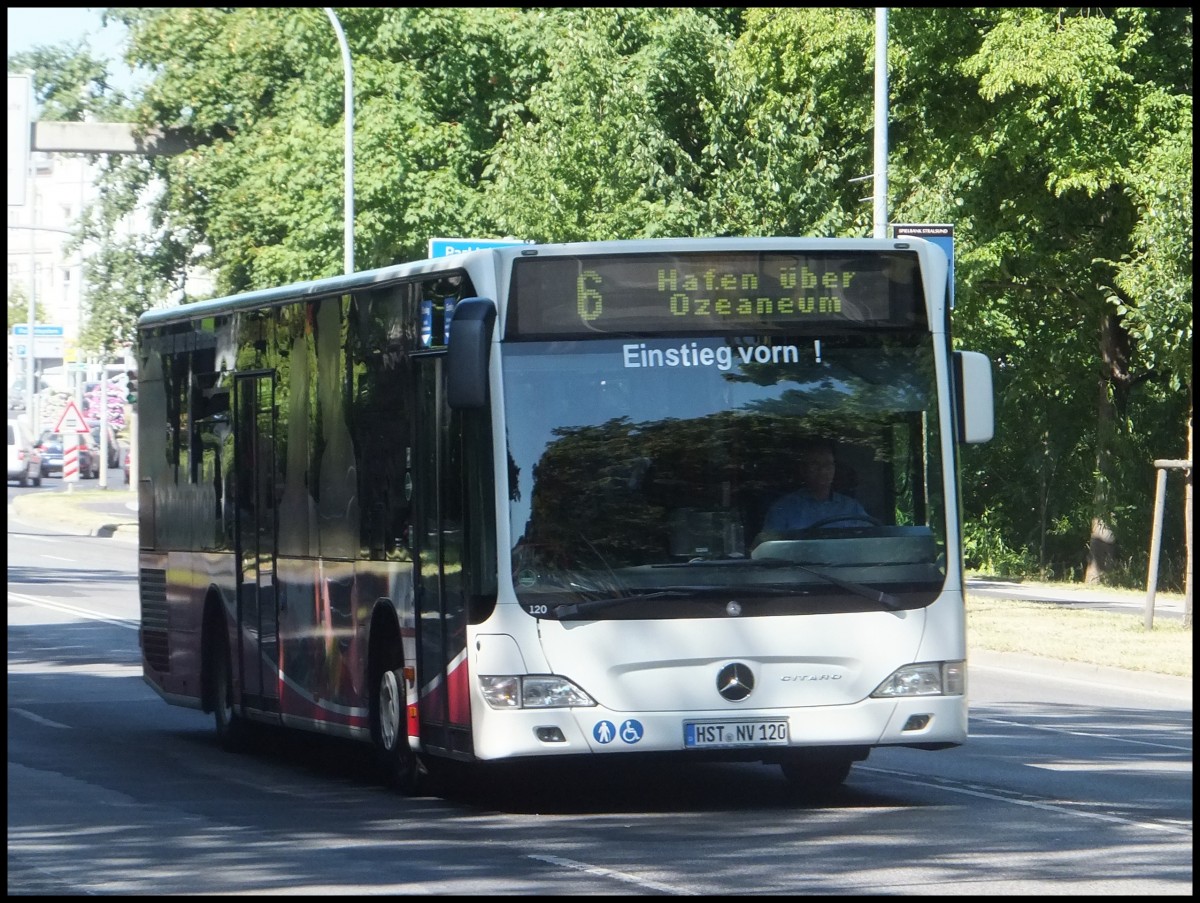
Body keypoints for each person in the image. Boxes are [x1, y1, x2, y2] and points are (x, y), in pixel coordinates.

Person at [760, 438, 871, 532]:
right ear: (803, 469)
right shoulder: (783, 509)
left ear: (834, 469)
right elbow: (770, 552)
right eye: (815, 464)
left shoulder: (852, 508)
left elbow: (870, 540)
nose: (822, 471)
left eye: (828, 465)